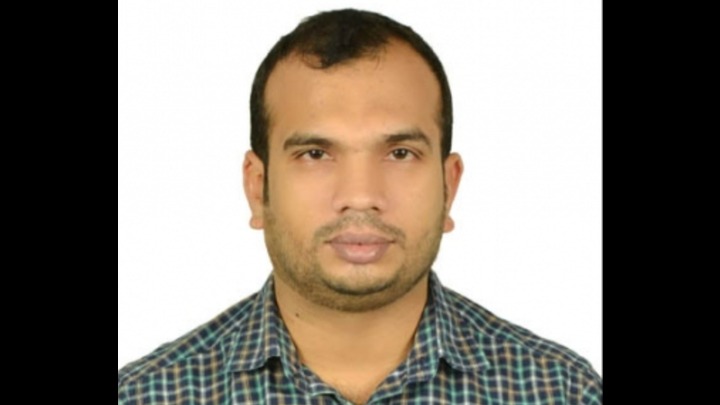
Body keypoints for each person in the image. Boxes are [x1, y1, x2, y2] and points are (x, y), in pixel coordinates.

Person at [118, 8, 602, 405]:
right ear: (257, 187)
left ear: (448, 186)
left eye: (400, 153)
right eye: (315, 154)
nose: (361, 194)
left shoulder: (563, 392)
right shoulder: (145, 396)